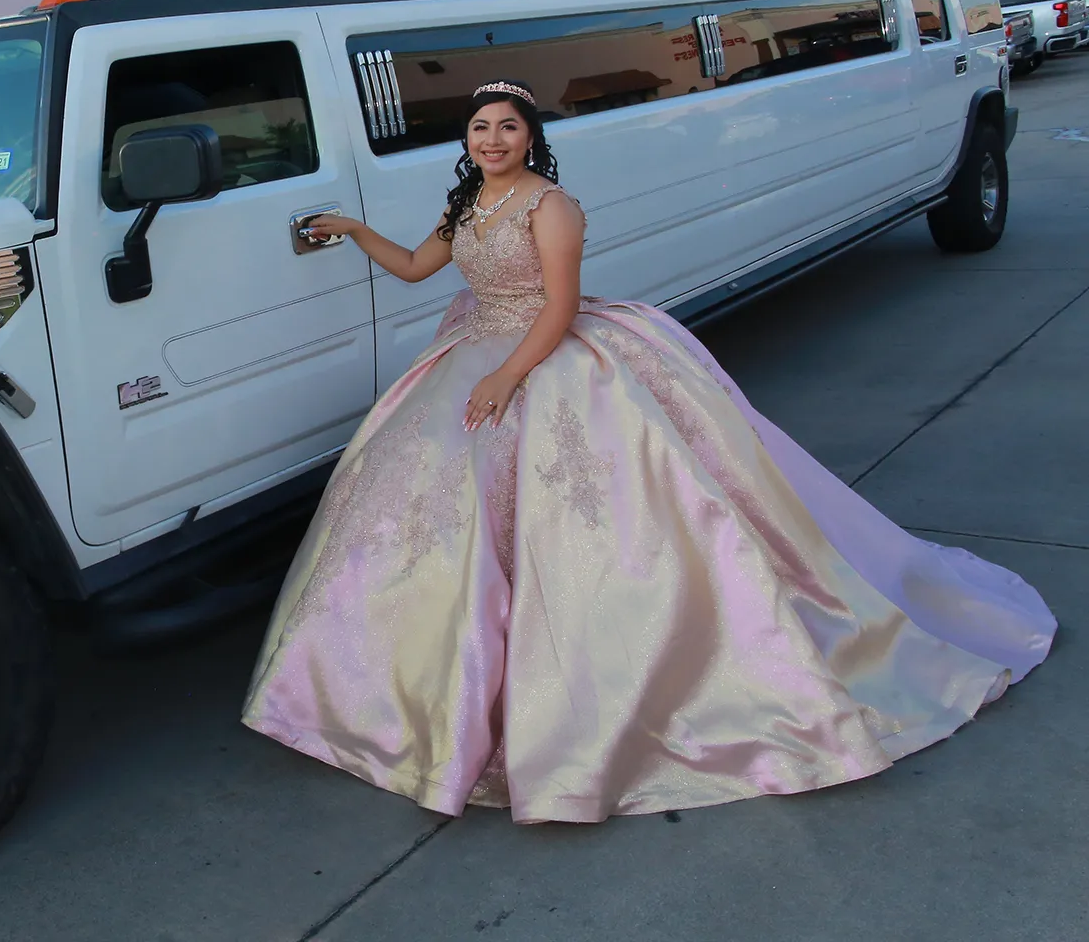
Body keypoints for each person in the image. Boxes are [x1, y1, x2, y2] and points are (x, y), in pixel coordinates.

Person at [240, 78, 1056, 824]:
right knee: (432, 523)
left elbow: (558, 308)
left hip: (543, 361)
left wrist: (509, 379)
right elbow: (419, 269)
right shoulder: (465, 207)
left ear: (531, 138)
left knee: (589, 525)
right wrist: (354, 231)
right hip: (471, 350)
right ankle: (404, 698)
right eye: (480, 128)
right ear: (467, 141)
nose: (492, 139)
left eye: (508, 127)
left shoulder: (552, 206)